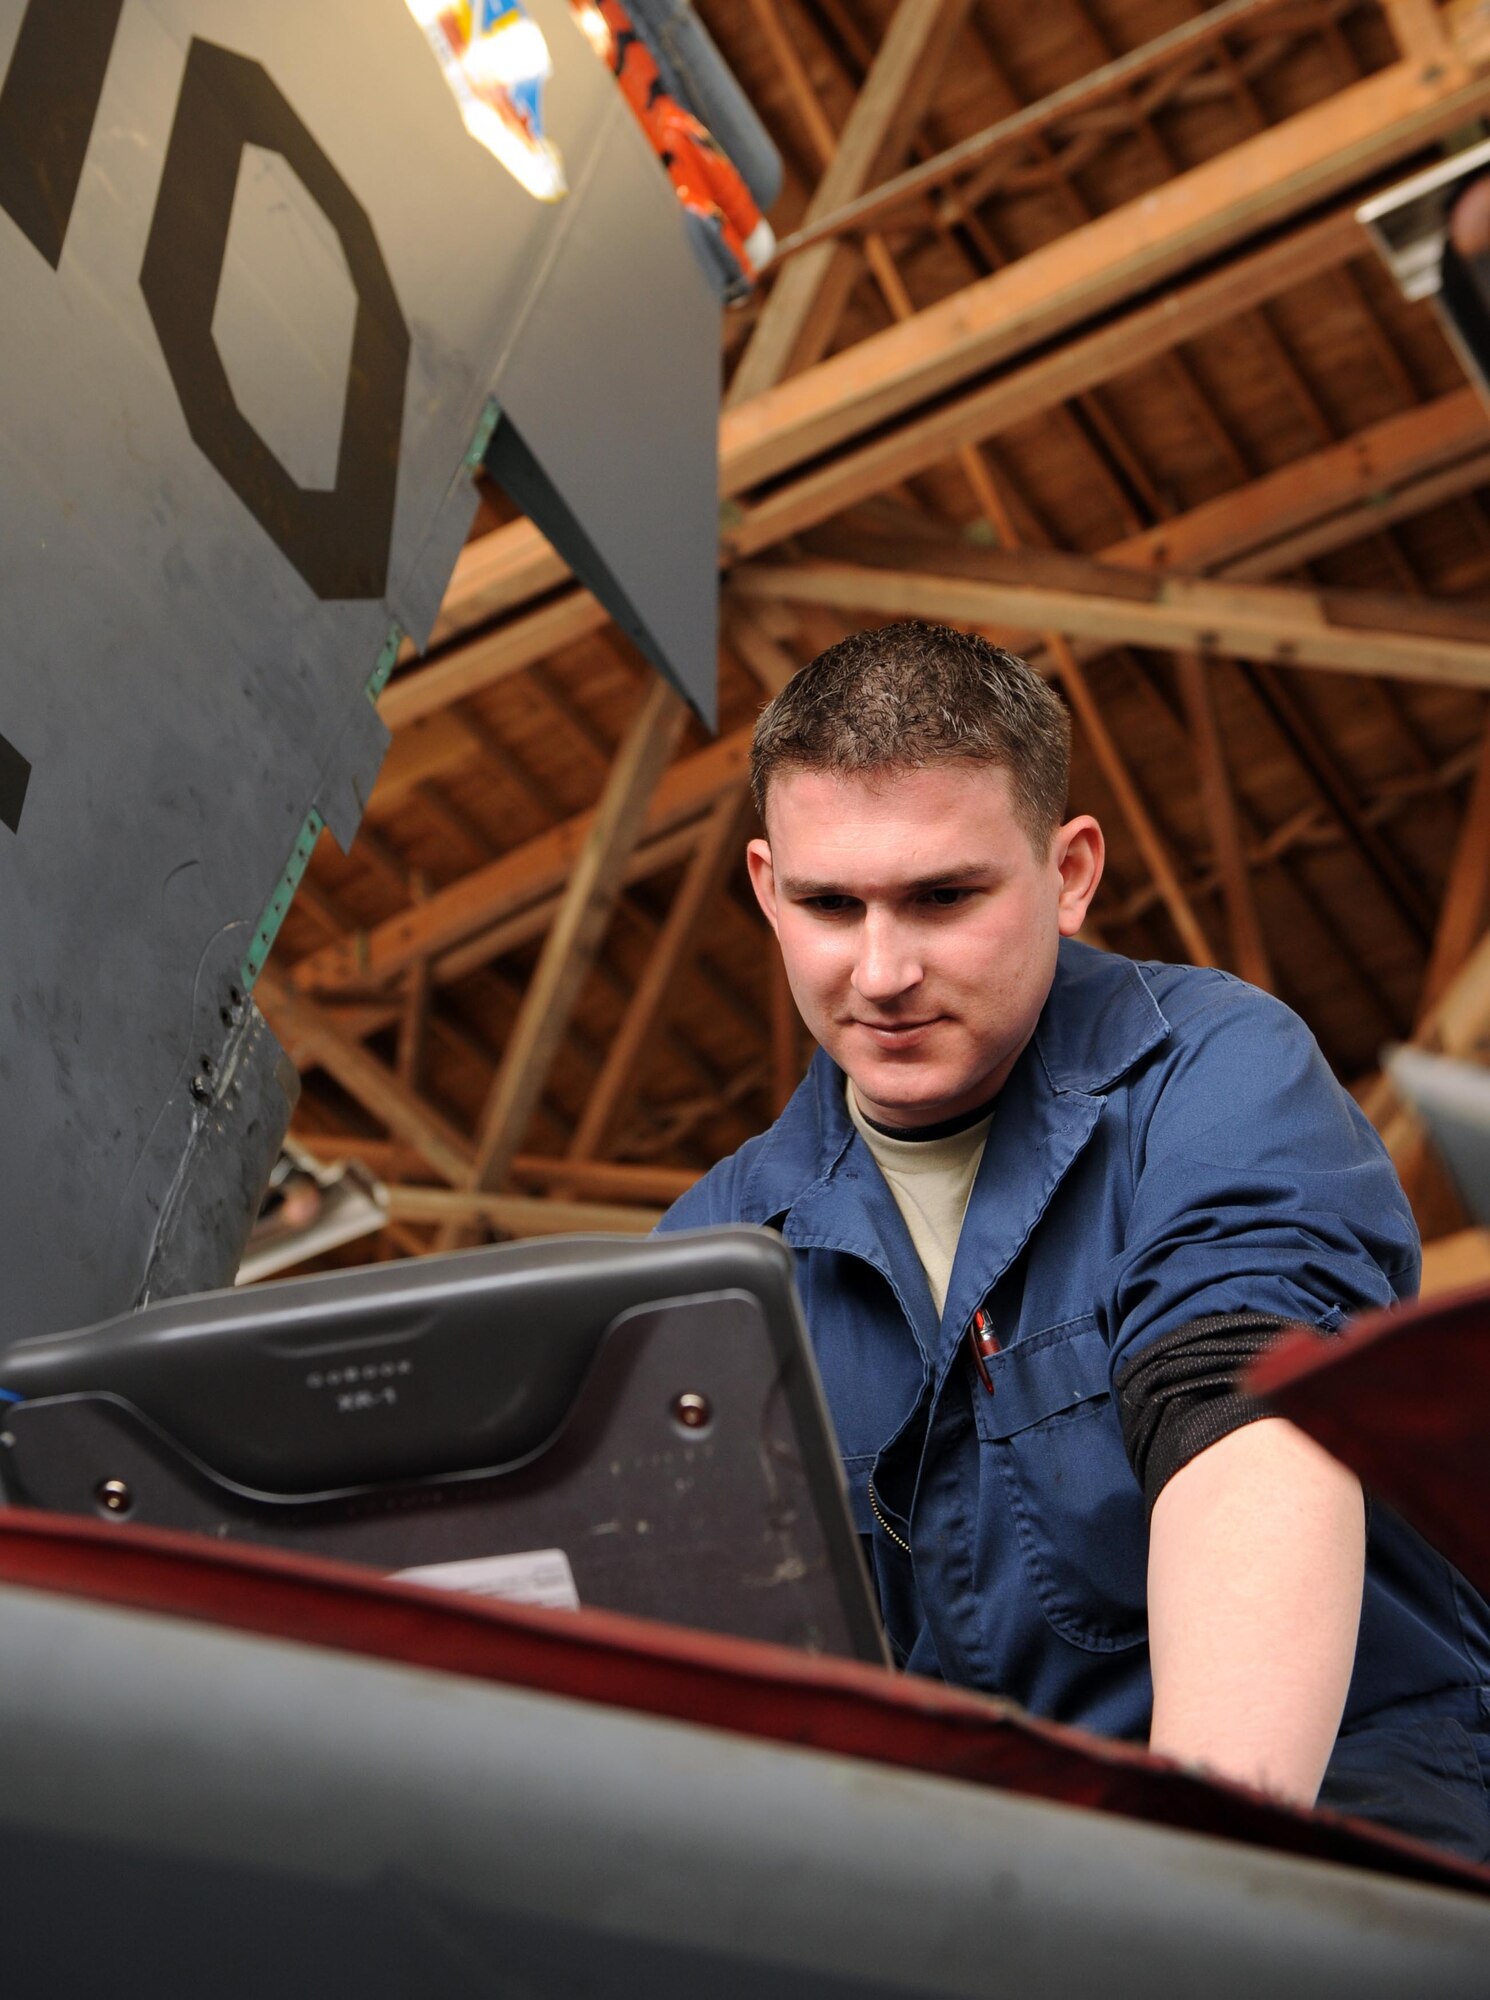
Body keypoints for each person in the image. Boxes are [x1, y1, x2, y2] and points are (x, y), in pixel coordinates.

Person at [658, 621, 1490, 1860]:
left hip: (1341, 1821)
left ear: (1068, 870)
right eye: (831, 905)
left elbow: (1246, 1419)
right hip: (984, 1883)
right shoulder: (709, 1251)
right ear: (767, 888)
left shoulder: (1211, 1074)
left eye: (942, 896)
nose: (880, 970)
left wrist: (1198, 1891)